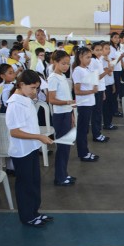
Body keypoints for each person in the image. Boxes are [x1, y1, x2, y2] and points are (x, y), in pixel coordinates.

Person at [5, 70, 54, 227]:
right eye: (32, 88)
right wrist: (39, 137)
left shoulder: (25, 99)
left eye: (37, 88)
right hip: (22, 151)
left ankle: (34, 212)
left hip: (31, 148)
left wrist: (38, 138)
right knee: (25, 185)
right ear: (21, 85)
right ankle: (27, 217)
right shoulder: (14, 104)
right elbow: (15, 132)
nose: (35, 92)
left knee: (34, 182)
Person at [47, 50, 76, 186]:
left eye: (68, 64)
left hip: (66, 113)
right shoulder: (53, 78)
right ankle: (59, 177)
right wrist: (67, 103)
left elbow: (66, 96)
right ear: (55, 62)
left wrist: (71, 112)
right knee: (63, 147)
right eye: (63, 63)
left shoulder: (62, 76)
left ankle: (64, 174)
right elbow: (51, 99)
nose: (66, 66)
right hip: (60, 115)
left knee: (66, 146)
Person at [72, 47, 100, 162]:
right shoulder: (78, 70)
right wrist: (91, 91)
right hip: (84, 104)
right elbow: (77, 91)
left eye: (90, 57)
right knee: (82, 129)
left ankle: (86, 151)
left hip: (89, 102)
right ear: (80, 57)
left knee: (85, 129)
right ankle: (83, 154)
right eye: (87, 57)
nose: (89, 60)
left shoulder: (87, 69)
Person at [89, 42, 110, 143]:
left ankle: (98, 133)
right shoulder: (93, 61)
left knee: (98, 112)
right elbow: (96, 77)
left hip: (100, 89)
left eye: (100, 50)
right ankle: (96, 134)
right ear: (92, 51)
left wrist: (104, 91)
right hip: (96, 90)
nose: (99, 52)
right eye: (96, 50)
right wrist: (107, 71)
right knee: (96, 113)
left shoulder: (98, 60)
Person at [101, 41, 118, 130]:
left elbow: (111, 74)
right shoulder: (101, 60)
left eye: (109, 49)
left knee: (110, 105)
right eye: (106, 49)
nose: (108, 51)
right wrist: (108, 62)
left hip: (110, 84)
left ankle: (109, 123)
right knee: (106, 107)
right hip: (105, 86)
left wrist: (114, 84)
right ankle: (107, 124)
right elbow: (110, 73)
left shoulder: (108, 59)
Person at [109, 32, 124, 117]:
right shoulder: (110, 49)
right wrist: (120, 58)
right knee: (114, 92)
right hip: (113, 71)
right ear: (111, 38)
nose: (117, 39)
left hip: (118, 71)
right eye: (115, 37)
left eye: (118, 38)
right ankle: (114, 110)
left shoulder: (118, 48)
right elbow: (112, 63)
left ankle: (114, 109)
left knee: (117, 91)